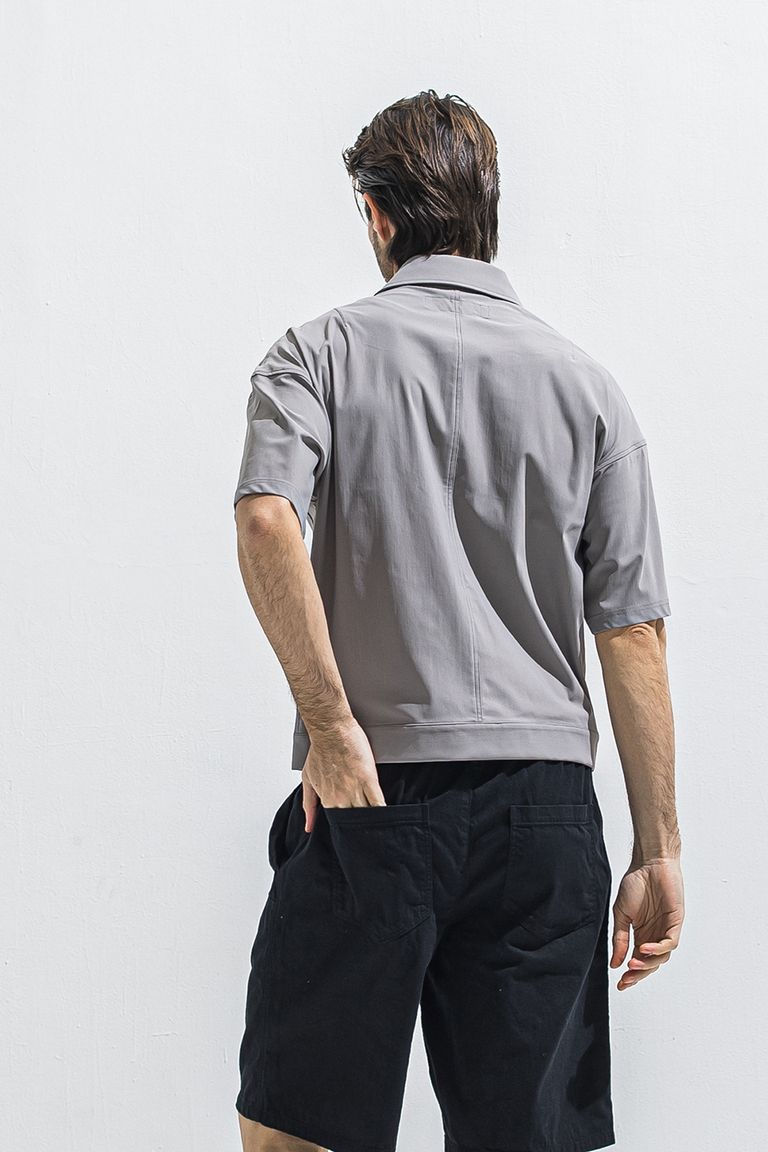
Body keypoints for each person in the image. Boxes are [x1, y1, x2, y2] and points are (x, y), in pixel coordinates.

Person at [232, 89, 684, 1152]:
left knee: (300, 1133)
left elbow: (265, 517)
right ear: (488, 212)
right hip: (544, 814)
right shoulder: (588, 388)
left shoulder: (316, 355)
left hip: (371, 795)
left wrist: (332, 729)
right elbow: (632, 634)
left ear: (377, 214)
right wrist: (658, 847)